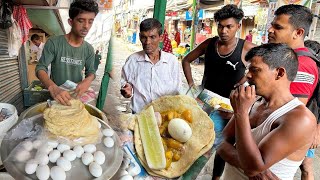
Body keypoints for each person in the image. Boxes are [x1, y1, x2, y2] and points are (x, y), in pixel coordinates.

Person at [218, 43, 317, 179]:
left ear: (279, 73)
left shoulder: (300, 119)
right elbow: (220, 143)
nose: (247, 76)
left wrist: (240, 113)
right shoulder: (252, 102)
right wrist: (256, 169)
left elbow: (252, 167)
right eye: (248, 70)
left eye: (255, 70)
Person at [181, 4, 255, 179]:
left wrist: (245, 80)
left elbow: (262, 71)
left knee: (222, 147)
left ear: (238, 25)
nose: (223, 30)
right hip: (204, 101)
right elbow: (186, 60)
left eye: (229, 26)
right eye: (220, 26)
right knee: (193, 140)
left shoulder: (247, 48)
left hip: (228, 109)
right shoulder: (210, 43)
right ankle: (184, 173)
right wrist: (192, 86)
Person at [268, 4, 319, 180]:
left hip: (281, 143)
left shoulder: (302, 65)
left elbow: (290, 114)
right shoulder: (287, 57)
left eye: (278, 27)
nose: (270, 30)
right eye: (272, 25)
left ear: (298, 32)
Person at [36, 0, 99, 106]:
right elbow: (40, 68)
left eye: (90, 21)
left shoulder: (89, 49)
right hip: (56, 97)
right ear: (70, 22)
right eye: (81, 20)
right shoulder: (54, 42)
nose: (86, 26)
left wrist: (87, 81)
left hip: (75, 98)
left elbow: (91, 72)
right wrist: (53, 88)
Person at [120, 18, 180, 113]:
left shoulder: (172, 61)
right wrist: (126, 89)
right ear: (140, 37)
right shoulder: (132, 60)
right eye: (144, 37)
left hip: (165, 116)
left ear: (161, 38)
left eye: (152, 37)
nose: (147, 42)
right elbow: (124, 83)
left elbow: (177, 91)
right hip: (139, 115)